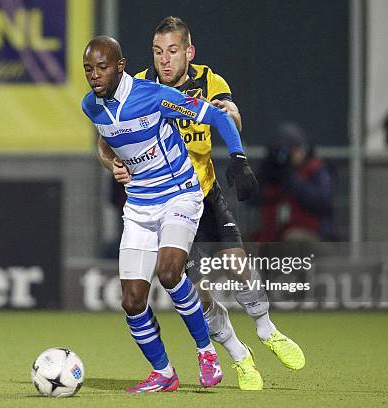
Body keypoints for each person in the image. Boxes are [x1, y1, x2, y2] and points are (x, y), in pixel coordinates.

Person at [98, 17, 305, 391]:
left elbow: (228, 115)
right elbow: (107, 134)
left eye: (173, 51)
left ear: (188, 52)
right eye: (158, 52)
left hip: (200, 193)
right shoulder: (138, 85)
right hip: (158, 202)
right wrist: (112, 161)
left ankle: (265, 328)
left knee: (235, 263)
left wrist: (235, 141)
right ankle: (239, 355)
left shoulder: (210, 82)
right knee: (197, 290)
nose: (165, 60)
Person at [82, 35, 257, 393]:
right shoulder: (91, 106)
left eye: (102, 67)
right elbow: (106, 143)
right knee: (131, 301)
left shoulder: (152, 95)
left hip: (180, 196)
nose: (95, 76)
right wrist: (112, 162)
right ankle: (164, 374)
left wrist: (238, 157)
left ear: (120, 66)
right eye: (88, 69)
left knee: (170, 271)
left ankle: (206, 351)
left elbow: (216, 118)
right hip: (139, 205)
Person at [256, 122, 336, 243]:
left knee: (292, 239)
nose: (287, 156)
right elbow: (251, 198)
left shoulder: (316, 169)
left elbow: (323, 202)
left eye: (291, 151)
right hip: (276, 235)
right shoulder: (275, 171)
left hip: (317, 238)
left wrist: (291, 179)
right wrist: (268, 170)